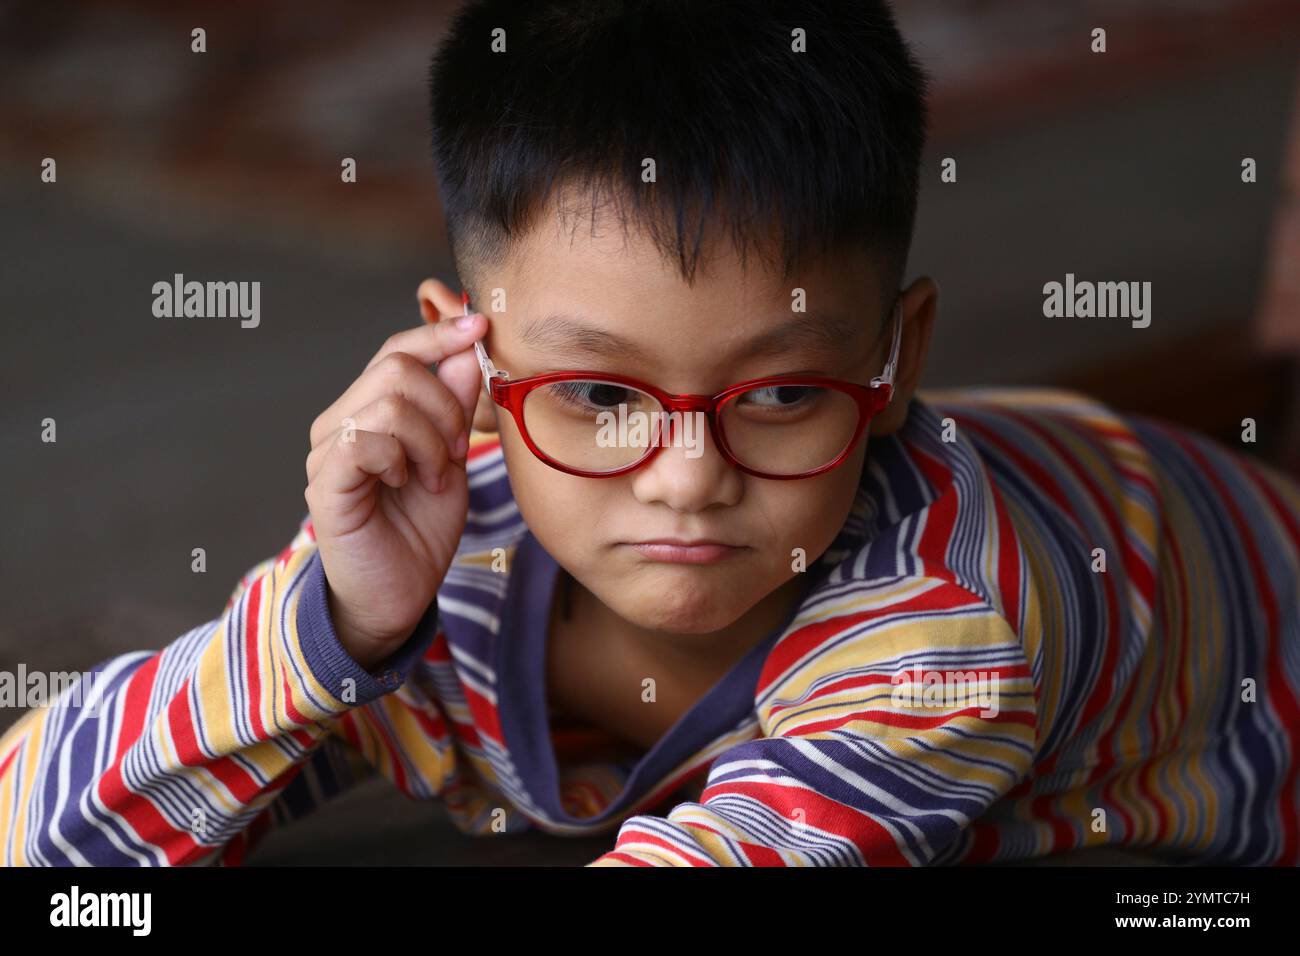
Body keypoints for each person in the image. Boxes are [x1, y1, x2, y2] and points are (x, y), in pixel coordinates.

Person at [3, 0, 1298, 866]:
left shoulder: (944, 642)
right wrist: (325, 631)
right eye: (600, 396)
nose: (687, 482)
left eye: (781, 395)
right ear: (468, 357)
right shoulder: (443, 529)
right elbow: (34, 831)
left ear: (896, 361)